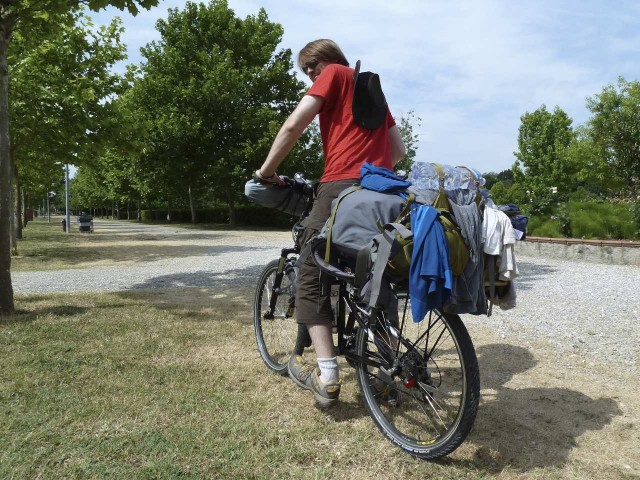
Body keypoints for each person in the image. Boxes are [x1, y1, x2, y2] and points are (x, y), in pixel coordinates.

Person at [256, 39, 406, 408]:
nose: (310, 72)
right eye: (305, 68)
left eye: (312, 64)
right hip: (384, 190)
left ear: (331, 59)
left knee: (309, 267)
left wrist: (267, 171)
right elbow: (398, 150)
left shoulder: (335, 74)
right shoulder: (369, 88)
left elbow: (294, 126)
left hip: (341, 185)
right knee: (376, 273)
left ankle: (327, 373)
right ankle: (387, 369)